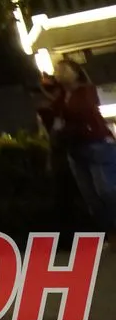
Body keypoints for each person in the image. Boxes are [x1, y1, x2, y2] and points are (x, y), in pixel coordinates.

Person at [40, 60, 116, 230]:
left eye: (64, 69)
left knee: (106, 190)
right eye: (58, 70)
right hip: (76, 148)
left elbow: (80, 111)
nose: (60, 73)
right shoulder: (61, 97)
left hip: (97, 144)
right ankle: (110, 234)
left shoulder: (85, 91)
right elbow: (53, 116)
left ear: (76, 73)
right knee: (91, 197)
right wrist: (50, 94)